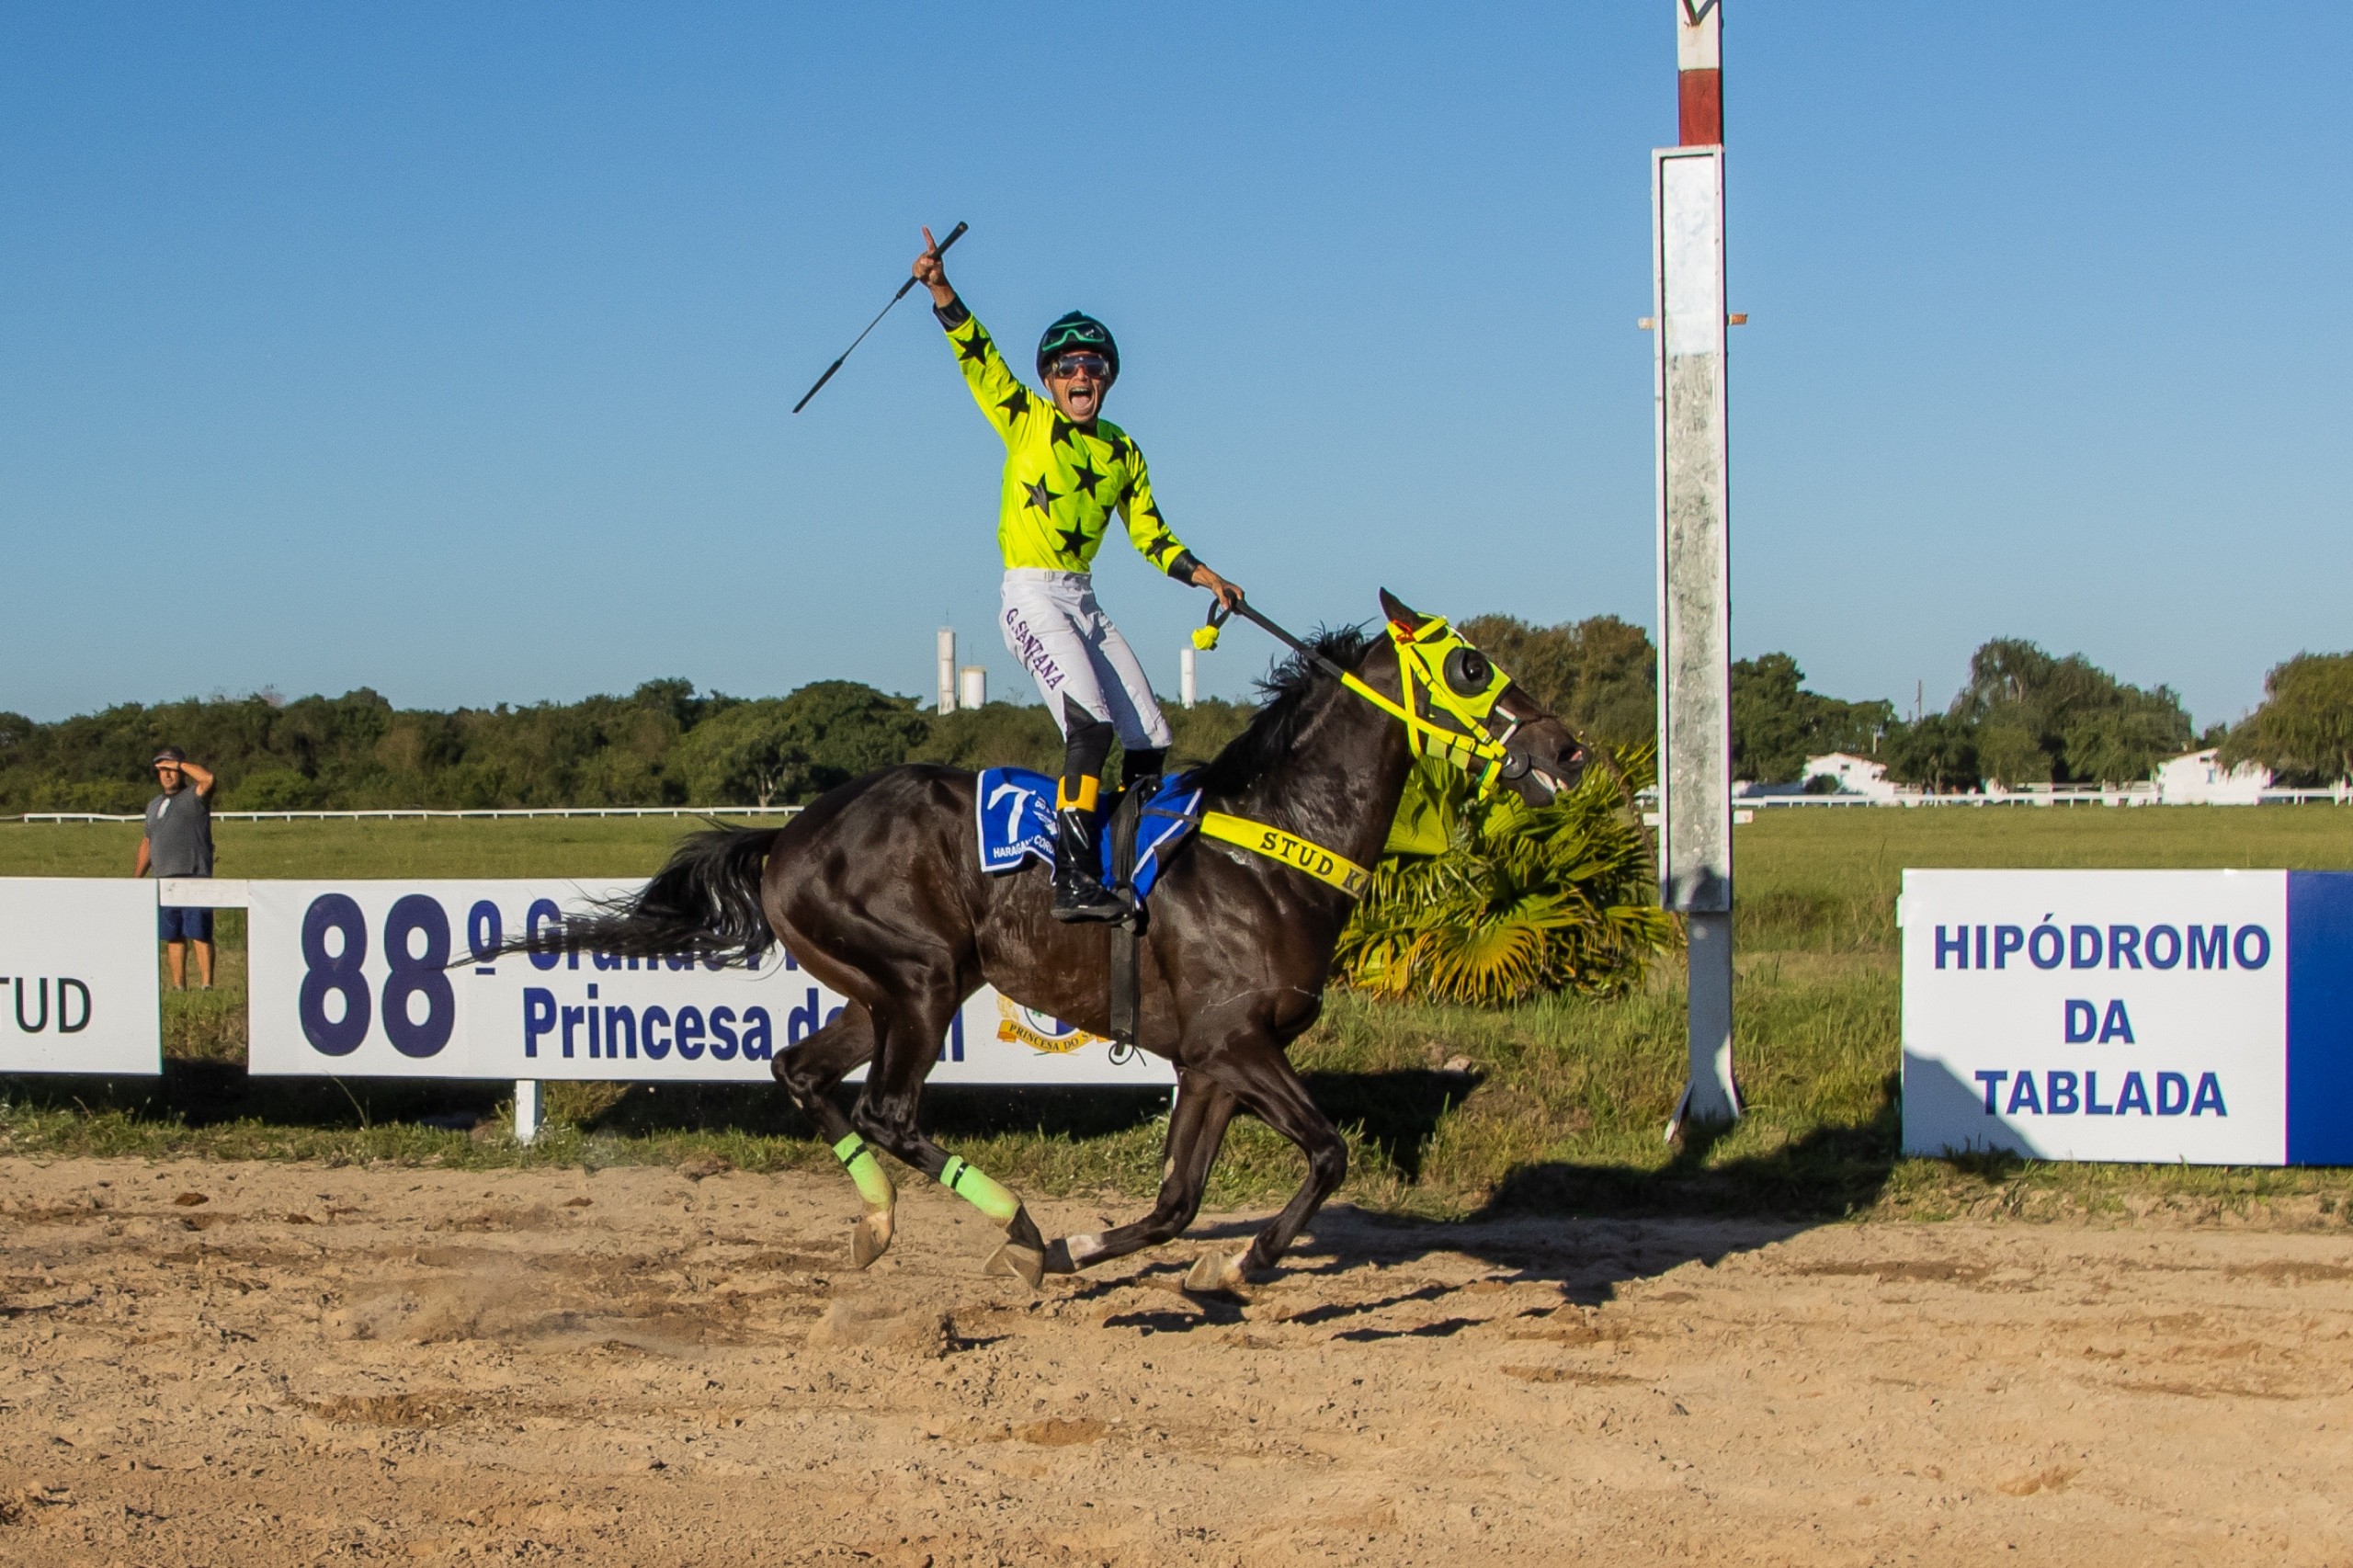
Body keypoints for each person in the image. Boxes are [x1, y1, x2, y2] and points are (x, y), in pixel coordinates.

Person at [911, 227, 1245, 922]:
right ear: (1049, 381)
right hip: (1030, 594)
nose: (1080, 377)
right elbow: (980, 358)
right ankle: (1071, 879)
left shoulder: (1123, 450)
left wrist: (1205, 575)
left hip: (1083, 599)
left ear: (1108, 377)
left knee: (1150, 737)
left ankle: (1126, 857)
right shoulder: (1025, 419)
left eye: (1092, 366)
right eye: (1066, 368)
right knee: (1089, 728)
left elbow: (1150, 535)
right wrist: (941, 289)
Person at [134, 747, 217, 990]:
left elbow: (208, 779)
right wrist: (135, 878)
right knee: (173, 935)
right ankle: (179, 986)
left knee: (199, 932)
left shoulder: (195, 795)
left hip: (194, 874)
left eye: (170, 771)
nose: (167, 776)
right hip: (164, 878)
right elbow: (147, 842)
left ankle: (206, 985)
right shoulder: (154, 805)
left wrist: (178, 764)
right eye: (162, 771)